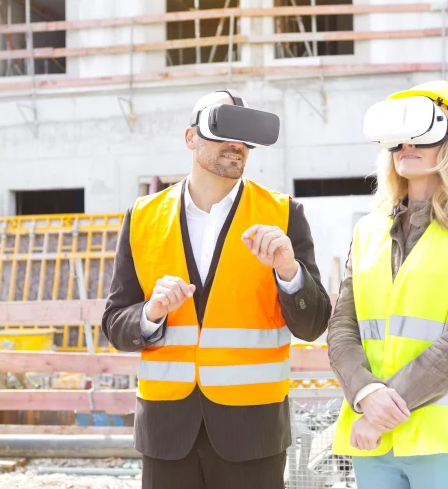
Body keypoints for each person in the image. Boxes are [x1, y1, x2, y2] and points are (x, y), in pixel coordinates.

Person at [102, 89, 332, 489]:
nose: (235, 145)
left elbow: (313, 325)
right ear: (190, 138)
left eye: (243, 137)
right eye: (222, 131)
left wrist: (289, 271)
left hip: (253, 432)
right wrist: (150, 313)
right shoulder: (142, 218)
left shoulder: (283, 215)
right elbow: (114, 324)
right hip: (167, 433)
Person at [327, 81, 448, 489]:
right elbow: (342, 329)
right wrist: (365, 395)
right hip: (374, 441)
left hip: (446, 442)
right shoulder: (367, 229)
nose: (406, 145)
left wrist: (382, 410)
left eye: (421, 134)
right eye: (398, 138)